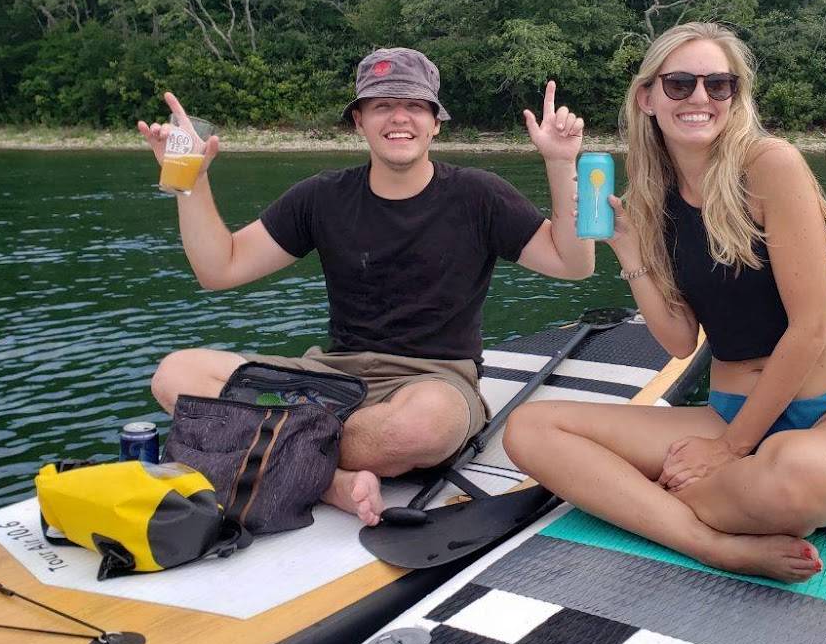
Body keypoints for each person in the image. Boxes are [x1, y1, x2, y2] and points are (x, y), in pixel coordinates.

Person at [503, 22, 826, 583]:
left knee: (795, 480)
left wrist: (730, 449)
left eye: (719, 84)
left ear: (736, 95)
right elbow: (680, 340)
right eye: (680, 83)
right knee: (529, 430)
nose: (700, 98)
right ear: (648, 97)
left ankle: (641, 499)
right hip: (725, 413)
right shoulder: (653, 197)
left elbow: (809, 327)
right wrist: (631, 250)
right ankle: (709, 542)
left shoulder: (771, 165)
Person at [138, 47, 593, 525]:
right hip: (328, 379)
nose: (399, 118)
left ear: (435, 123)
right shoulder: (321, 197)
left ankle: (267, 454)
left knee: (425, 426)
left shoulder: (478, 195)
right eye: (382, 106)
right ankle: (329, 482)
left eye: (414, 106)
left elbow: (572, 263)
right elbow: (220, 268)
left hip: (432, 380)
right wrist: (190, 181)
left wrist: (561, 163)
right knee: (176, 375)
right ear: (359, 120)